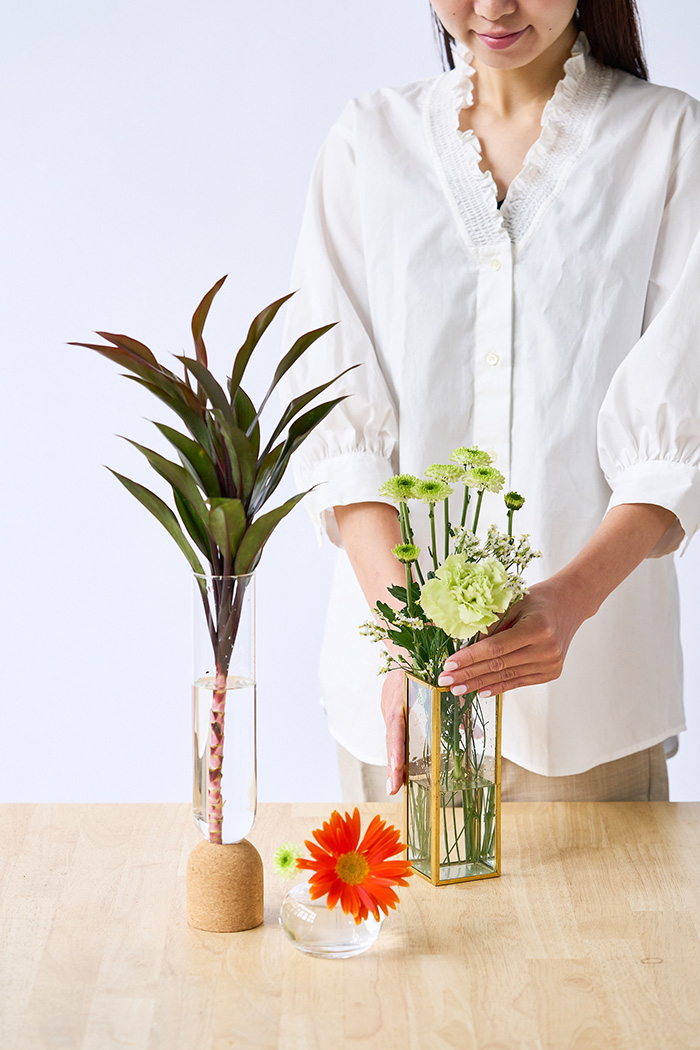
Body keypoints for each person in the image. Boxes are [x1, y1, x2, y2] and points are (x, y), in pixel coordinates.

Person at [281, 0, 700, 804]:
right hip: (401, 708)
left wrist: (567, 604)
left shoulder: (669, 142)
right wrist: (413, 643)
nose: (494, 8)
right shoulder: (369, 142)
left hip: (588, 708)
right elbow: (339, 426)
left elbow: (677, 435)